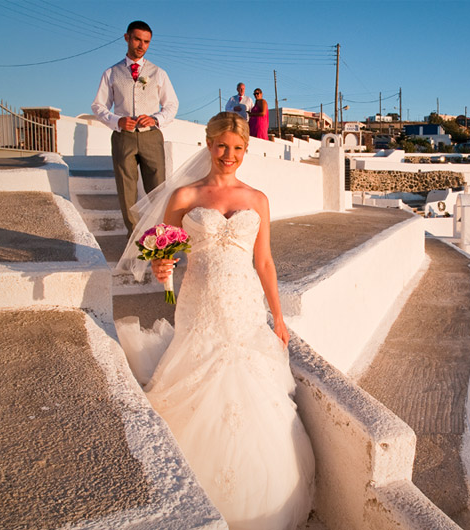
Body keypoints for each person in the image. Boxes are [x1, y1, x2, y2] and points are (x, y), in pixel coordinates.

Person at [115, 112, 314, 530]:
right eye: (223, 146)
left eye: (238, 148)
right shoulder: (185, 196)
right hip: (198, 303)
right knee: (197, 375)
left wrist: (277, 317)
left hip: (243, 304)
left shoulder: (257, 199)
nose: (230, 155)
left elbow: (264, 262)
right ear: (208, 145)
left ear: (246, 150)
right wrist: (162, 269)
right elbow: (163, 252)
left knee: (251, 386)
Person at [91, 20, 179, 235]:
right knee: (126, 191)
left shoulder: (158, 72)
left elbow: (172, 104)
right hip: (124, 137)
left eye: (146, 42)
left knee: (158, 189)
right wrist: (116, 120)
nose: (142, 45)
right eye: (138, 39)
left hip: (151, 137)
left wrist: (156, 119)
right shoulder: (111, 73)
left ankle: (162, 239)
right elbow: (98, 105)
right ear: (127, 38)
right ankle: (134, 241)